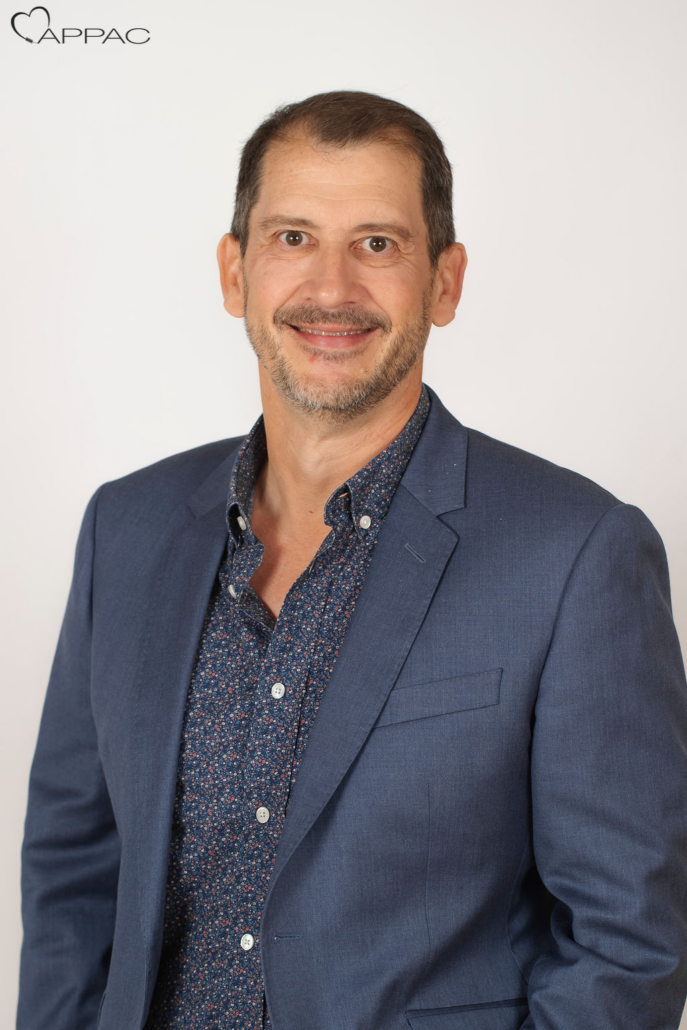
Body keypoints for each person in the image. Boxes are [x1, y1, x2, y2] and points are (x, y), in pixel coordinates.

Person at [17, 90, 687, 1030]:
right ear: (234, 271)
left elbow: (626, 944)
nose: (330, 287)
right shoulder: (124, 529)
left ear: (444, 282)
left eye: (377, 243)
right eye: (293, 237)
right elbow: (72, 881)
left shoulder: (576, 554)